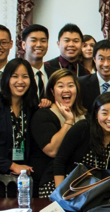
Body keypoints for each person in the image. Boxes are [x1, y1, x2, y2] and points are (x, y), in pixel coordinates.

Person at [51, 92, 110, 187]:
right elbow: (59, 161)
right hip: (63, 185)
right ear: (96, 114)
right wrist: (60, 193)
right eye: (104, 113)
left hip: (91, 191)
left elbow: (104, 168)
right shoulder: (83, 128)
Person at [30, 69, 87, 197]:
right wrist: (68, 121)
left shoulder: (84, 116)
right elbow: (52, 150)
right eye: (60, 86)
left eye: (71, 86)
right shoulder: (43, 115)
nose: (66, 90)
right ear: (52, 90)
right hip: (50, 183)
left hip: (79, 183)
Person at [20, 24, 56, 101]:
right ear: (23, 45)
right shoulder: (16, 74)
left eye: (43, 41)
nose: (39, 45)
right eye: (33, 40)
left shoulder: (55, 74)